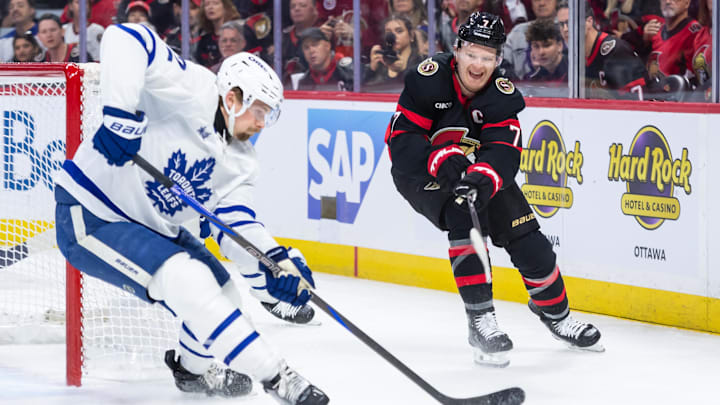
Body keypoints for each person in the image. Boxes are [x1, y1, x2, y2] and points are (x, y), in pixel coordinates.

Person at [53, 23, 329, 405]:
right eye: (260, 111)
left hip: (152, 229)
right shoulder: (193, 88)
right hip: (93, 214)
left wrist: (277, 262)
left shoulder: (242, 163)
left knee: (223, 291)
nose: (263, 123)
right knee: (188, 279)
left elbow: (237, 225)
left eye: (270, 114)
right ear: (232, 97)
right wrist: (120, 114)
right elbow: (125, 37)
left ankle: (192, 370)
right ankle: (278, 377)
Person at [385, 11, 603, 368]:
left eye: (488, 57)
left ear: (499, 59)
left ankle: (557, 315)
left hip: (476, 174)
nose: (478, 64)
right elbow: (403, 143)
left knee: (529, 240)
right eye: (471, 53)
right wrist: (440, 160)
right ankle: (481, 321)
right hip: (420, 174)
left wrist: (480, 179)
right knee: (462, 213)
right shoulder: (428, 80)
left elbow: (504, 152)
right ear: (456, 51)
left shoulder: (501, 96)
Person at [584, 2, 648, 100]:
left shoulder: (615, 51)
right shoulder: (574, 57)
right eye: (562, 24)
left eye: (569, 22)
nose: (566, 29)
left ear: (589, 21)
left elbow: (638, 105)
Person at [364, 14, 426, 91]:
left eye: (399, 31)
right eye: (389, 32)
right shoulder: (380, 62)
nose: (393, 36)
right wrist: (371, 69)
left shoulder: (423, 62)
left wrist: (403, 71)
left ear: (411, 35)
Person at [503, 0, 558, 79]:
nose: (541, 3)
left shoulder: (567, 30)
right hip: (521, 87)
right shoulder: (518, 32)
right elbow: (502, 64)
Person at [195, 0, 241, 68]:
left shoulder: (238, 33)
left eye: (215, 3)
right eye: (207, 4)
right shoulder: (204, 39)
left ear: (225, 7)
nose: (210, 7)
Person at [524, 17, 567, 82]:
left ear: (559, 46)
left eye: (546, 45)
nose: (541, 52)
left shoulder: (575, 71)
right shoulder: (532, 80)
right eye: (536, 46)